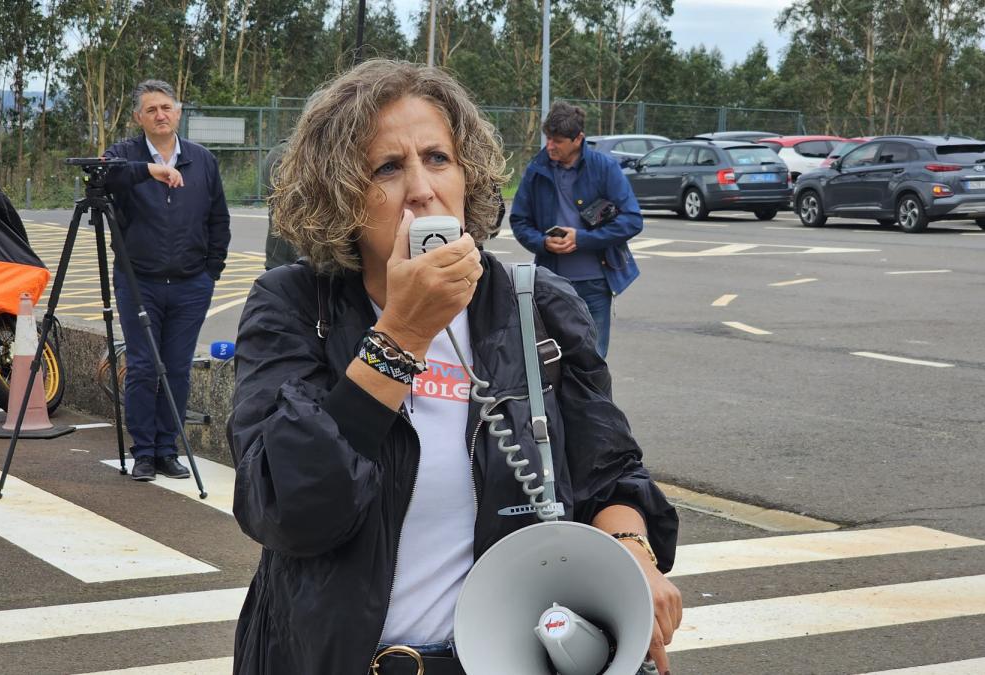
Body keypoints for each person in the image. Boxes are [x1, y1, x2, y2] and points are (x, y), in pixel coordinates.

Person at [228, 59, 681, 675]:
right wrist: (401, 335)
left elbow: (610, 473)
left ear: (469, 174)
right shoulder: (296, 306)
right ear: (340, 196)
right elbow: (283, 510)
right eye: (388, 167)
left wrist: (633, 550)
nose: (421, 188)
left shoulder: (534, 306)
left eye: (438, 158)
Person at [103, 79, 231, 482]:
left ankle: (166, 448)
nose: (160, 115)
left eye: (167, 108)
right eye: (151, 109)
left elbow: (218, 220)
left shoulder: (202, 160)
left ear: (178, 112)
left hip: (192, 284)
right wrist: (149, 170)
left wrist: (211, 272)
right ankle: (143, 451)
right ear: (138, 117)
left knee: (176, 368)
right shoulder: (124, 156)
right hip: (139, 281)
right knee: (143, 367)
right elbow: (105, 179)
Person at [510, 101, 643, 358]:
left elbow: (632, 220)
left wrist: (582, 239)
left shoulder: (604, 168)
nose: (550, 145)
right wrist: (542, 243)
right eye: (548, 138)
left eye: (557, 140)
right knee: (551, 357)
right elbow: (519, 221)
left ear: (578, 138)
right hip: (550, 281)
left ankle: (593, 399)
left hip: (595, 282)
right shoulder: (536, 170)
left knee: (593, 358)